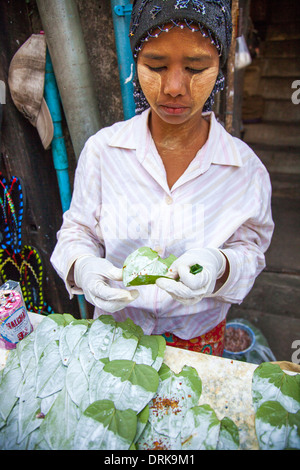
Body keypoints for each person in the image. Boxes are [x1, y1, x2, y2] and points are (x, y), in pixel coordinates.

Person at [51, 0, 274, 357]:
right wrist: (83, 266)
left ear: (219, 68)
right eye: (155, 65)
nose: (173, 87)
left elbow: (250, 249)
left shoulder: (244, 170)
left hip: (198, 338)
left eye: (196, 67)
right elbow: (78, 232)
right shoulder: (104, 151)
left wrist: (219, 266)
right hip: (115, 336)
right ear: (136, 63)